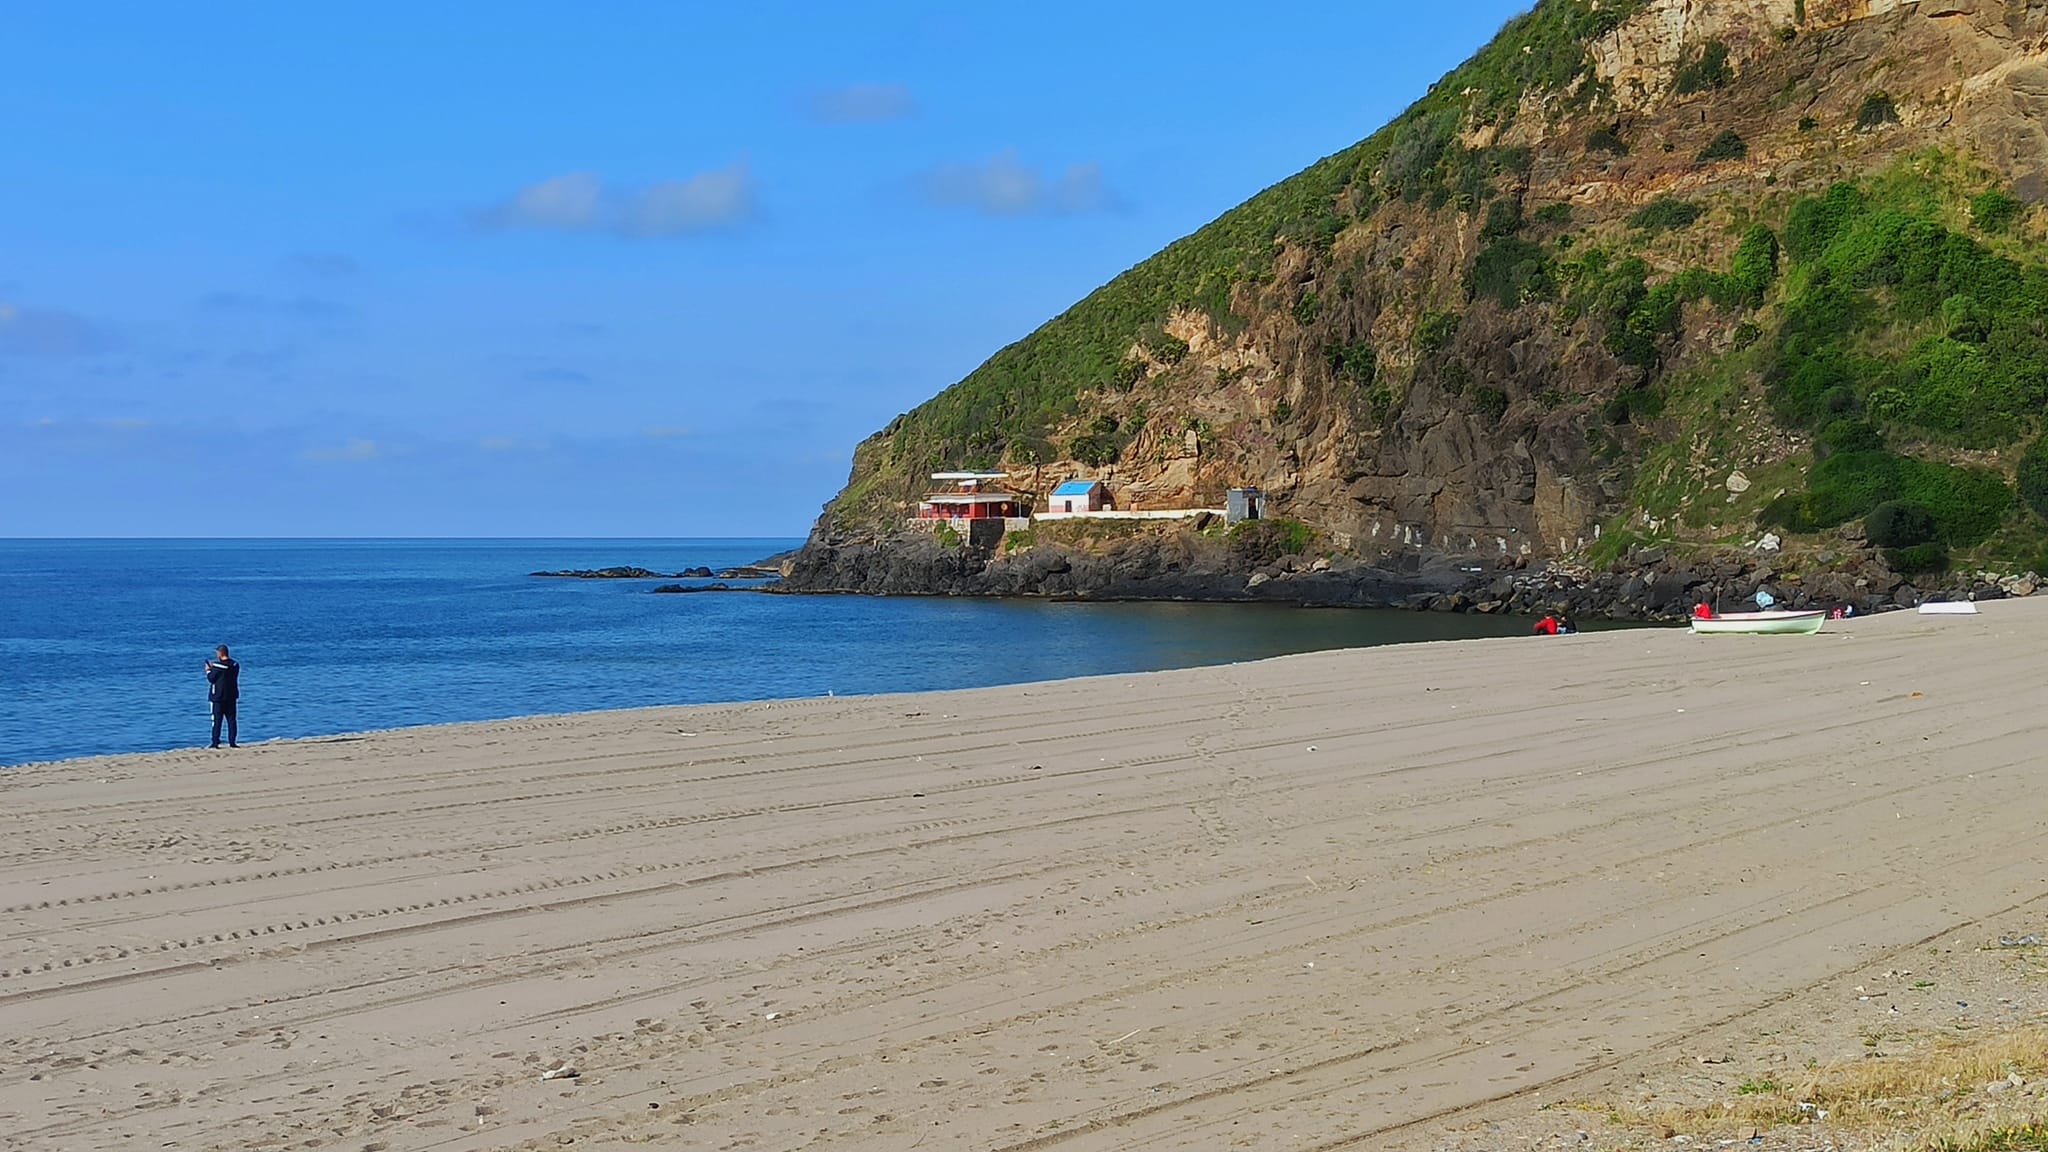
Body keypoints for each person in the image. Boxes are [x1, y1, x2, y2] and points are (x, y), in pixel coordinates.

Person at [205, 645, 240, 748]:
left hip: (218, 697)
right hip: (231, 695)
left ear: (220, 653)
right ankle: (232, 741)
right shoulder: (235, 665)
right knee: (231, 720)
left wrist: (208, 670)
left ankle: (215, 742)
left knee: (217, 720)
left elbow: (211, 678)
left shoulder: (218, 667)